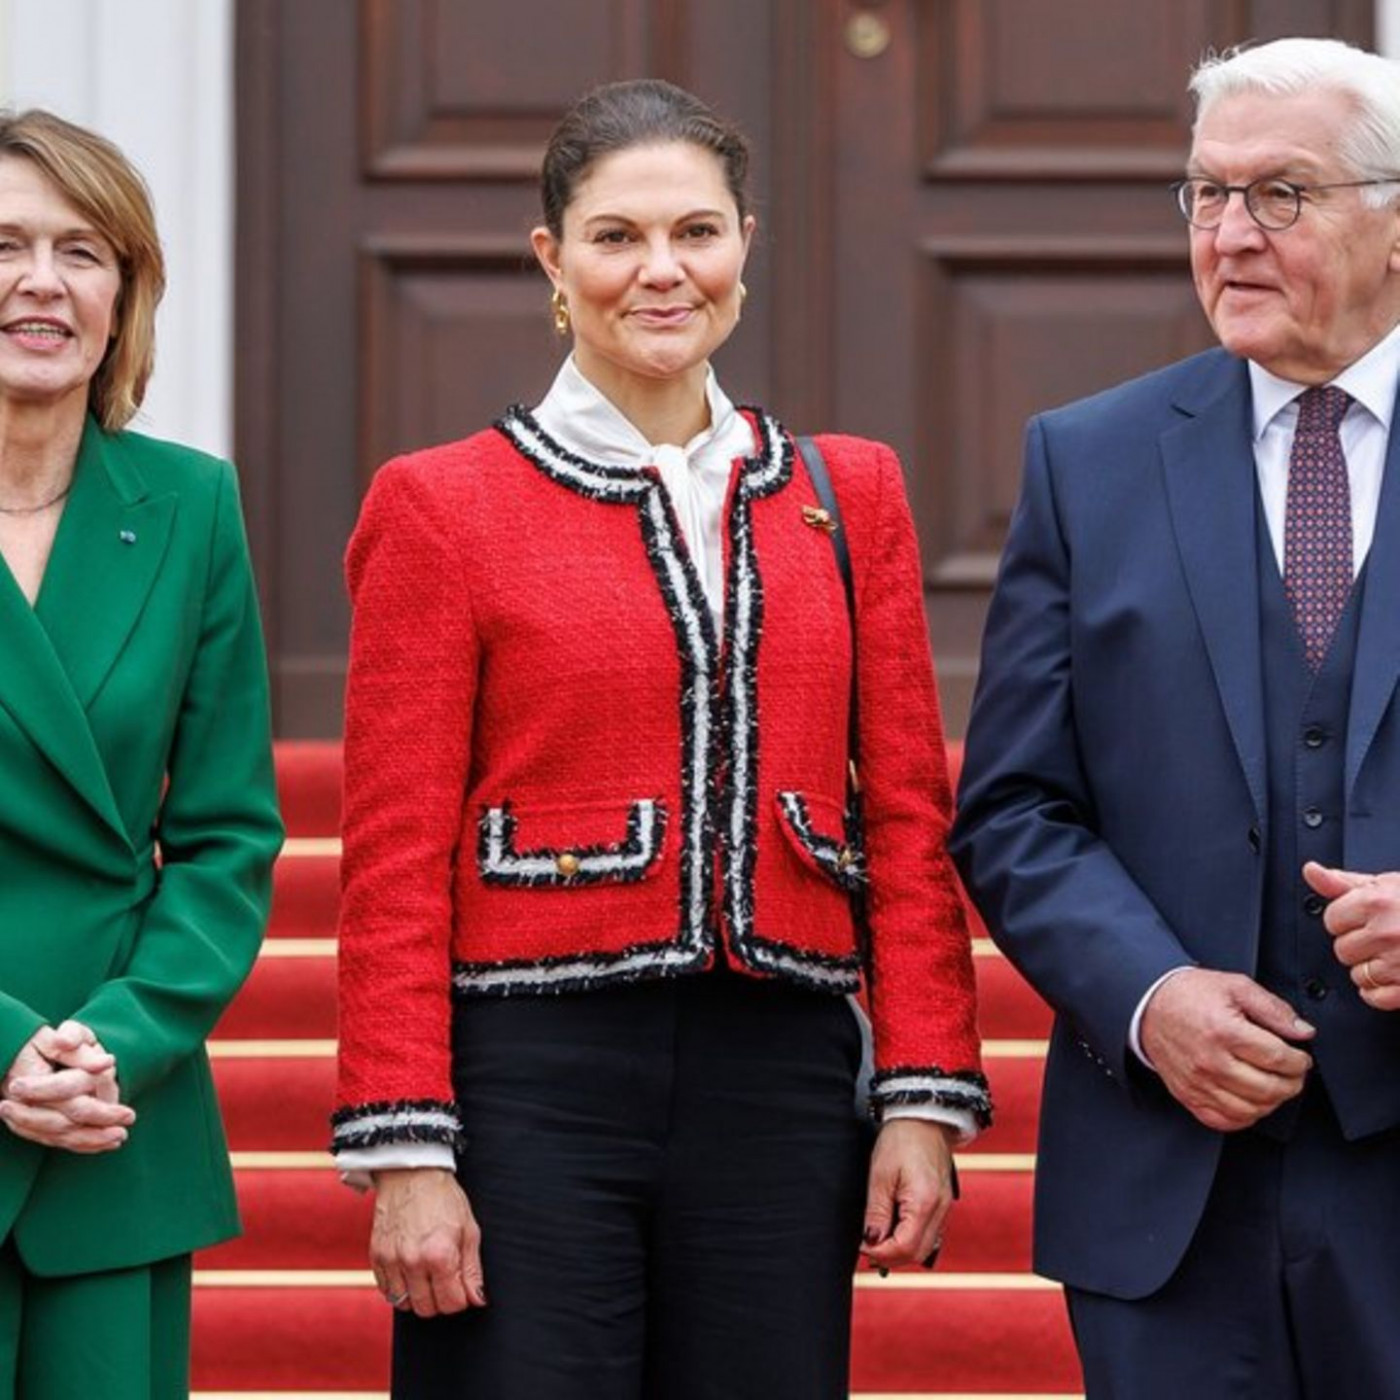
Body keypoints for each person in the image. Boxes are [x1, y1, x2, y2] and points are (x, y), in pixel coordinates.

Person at [332, 78, 989, 1400]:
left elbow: (907, 814)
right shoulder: (442, 504)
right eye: (616, 237)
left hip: (781, 1074)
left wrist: (922, 1095)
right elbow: (394, 851)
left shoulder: (849, 492)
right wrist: (407, 1149)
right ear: (552, 259)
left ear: (745, 242)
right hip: (528, 1076)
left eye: (695, 231)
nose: (661, 270)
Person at [950, 35, 1400, 1399]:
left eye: (1281, 194)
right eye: (1207, 194)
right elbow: (1015, 807)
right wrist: (1149, 1000)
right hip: (1170, 1190)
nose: (1230, 234)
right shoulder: (1084, 460)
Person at [0, 110, 282, 1398]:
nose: (41, 282)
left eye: (81, 251)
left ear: (125, 295)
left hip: (109, 1115)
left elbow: (227, 835)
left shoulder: (192, 508)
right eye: (5, 247)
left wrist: (114, 1040)